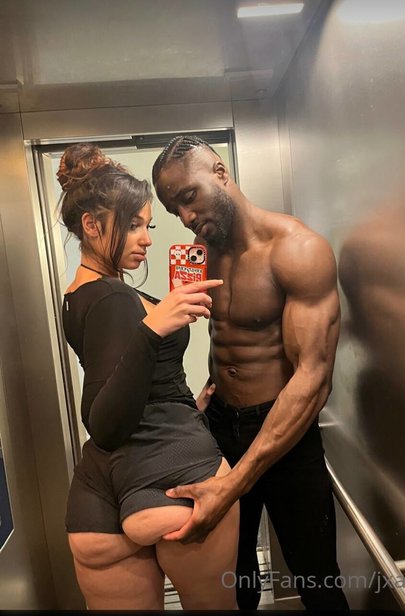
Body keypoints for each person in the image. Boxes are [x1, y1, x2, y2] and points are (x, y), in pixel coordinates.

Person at [152, 135, 349, 610]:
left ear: (220, 172)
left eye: (189, 196)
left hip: (284, 431)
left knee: (317, 580)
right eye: (174, 210)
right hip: (220, 424)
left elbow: (312, 379)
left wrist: (234, 483)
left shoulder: (297, 250)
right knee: (235, 580)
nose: (186, 217)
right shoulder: (201, 249)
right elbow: (218, 337)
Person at [58, 143, 239, 611]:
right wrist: (153, 328)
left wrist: (181, 400)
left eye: (148, 226)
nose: (147, 239)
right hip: (173, 472)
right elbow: (104, 422)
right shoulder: (114, 298)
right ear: (91, 226)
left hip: (96, 499)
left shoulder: (76, 296)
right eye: (133, 225)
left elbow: (123, 376)